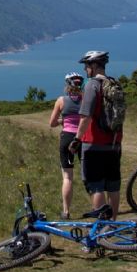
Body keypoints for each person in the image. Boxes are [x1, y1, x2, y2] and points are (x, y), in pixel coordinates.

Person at [74, 50, 123, 218]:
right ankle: (113, 225)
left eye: (87, 66)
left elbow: (86, 116)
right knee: (113, 187)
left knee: (96, 187)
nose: (85, 69)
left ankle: (100, 229)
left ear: (94, 66)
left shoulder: (91, 85)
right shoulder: (115, 84)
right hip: (114, 143)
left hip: (93, 143)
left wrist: (77, 139)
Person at [47, 71, 85, 217]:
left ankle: (66, 211)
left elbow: (52, 123)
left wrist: (63, 121)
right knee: (88, 173)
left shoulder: (61, 100)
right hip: (83, 138)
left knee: (67, 177)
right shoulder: (85, 100)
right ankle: (98, 206)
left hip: (67, 138)